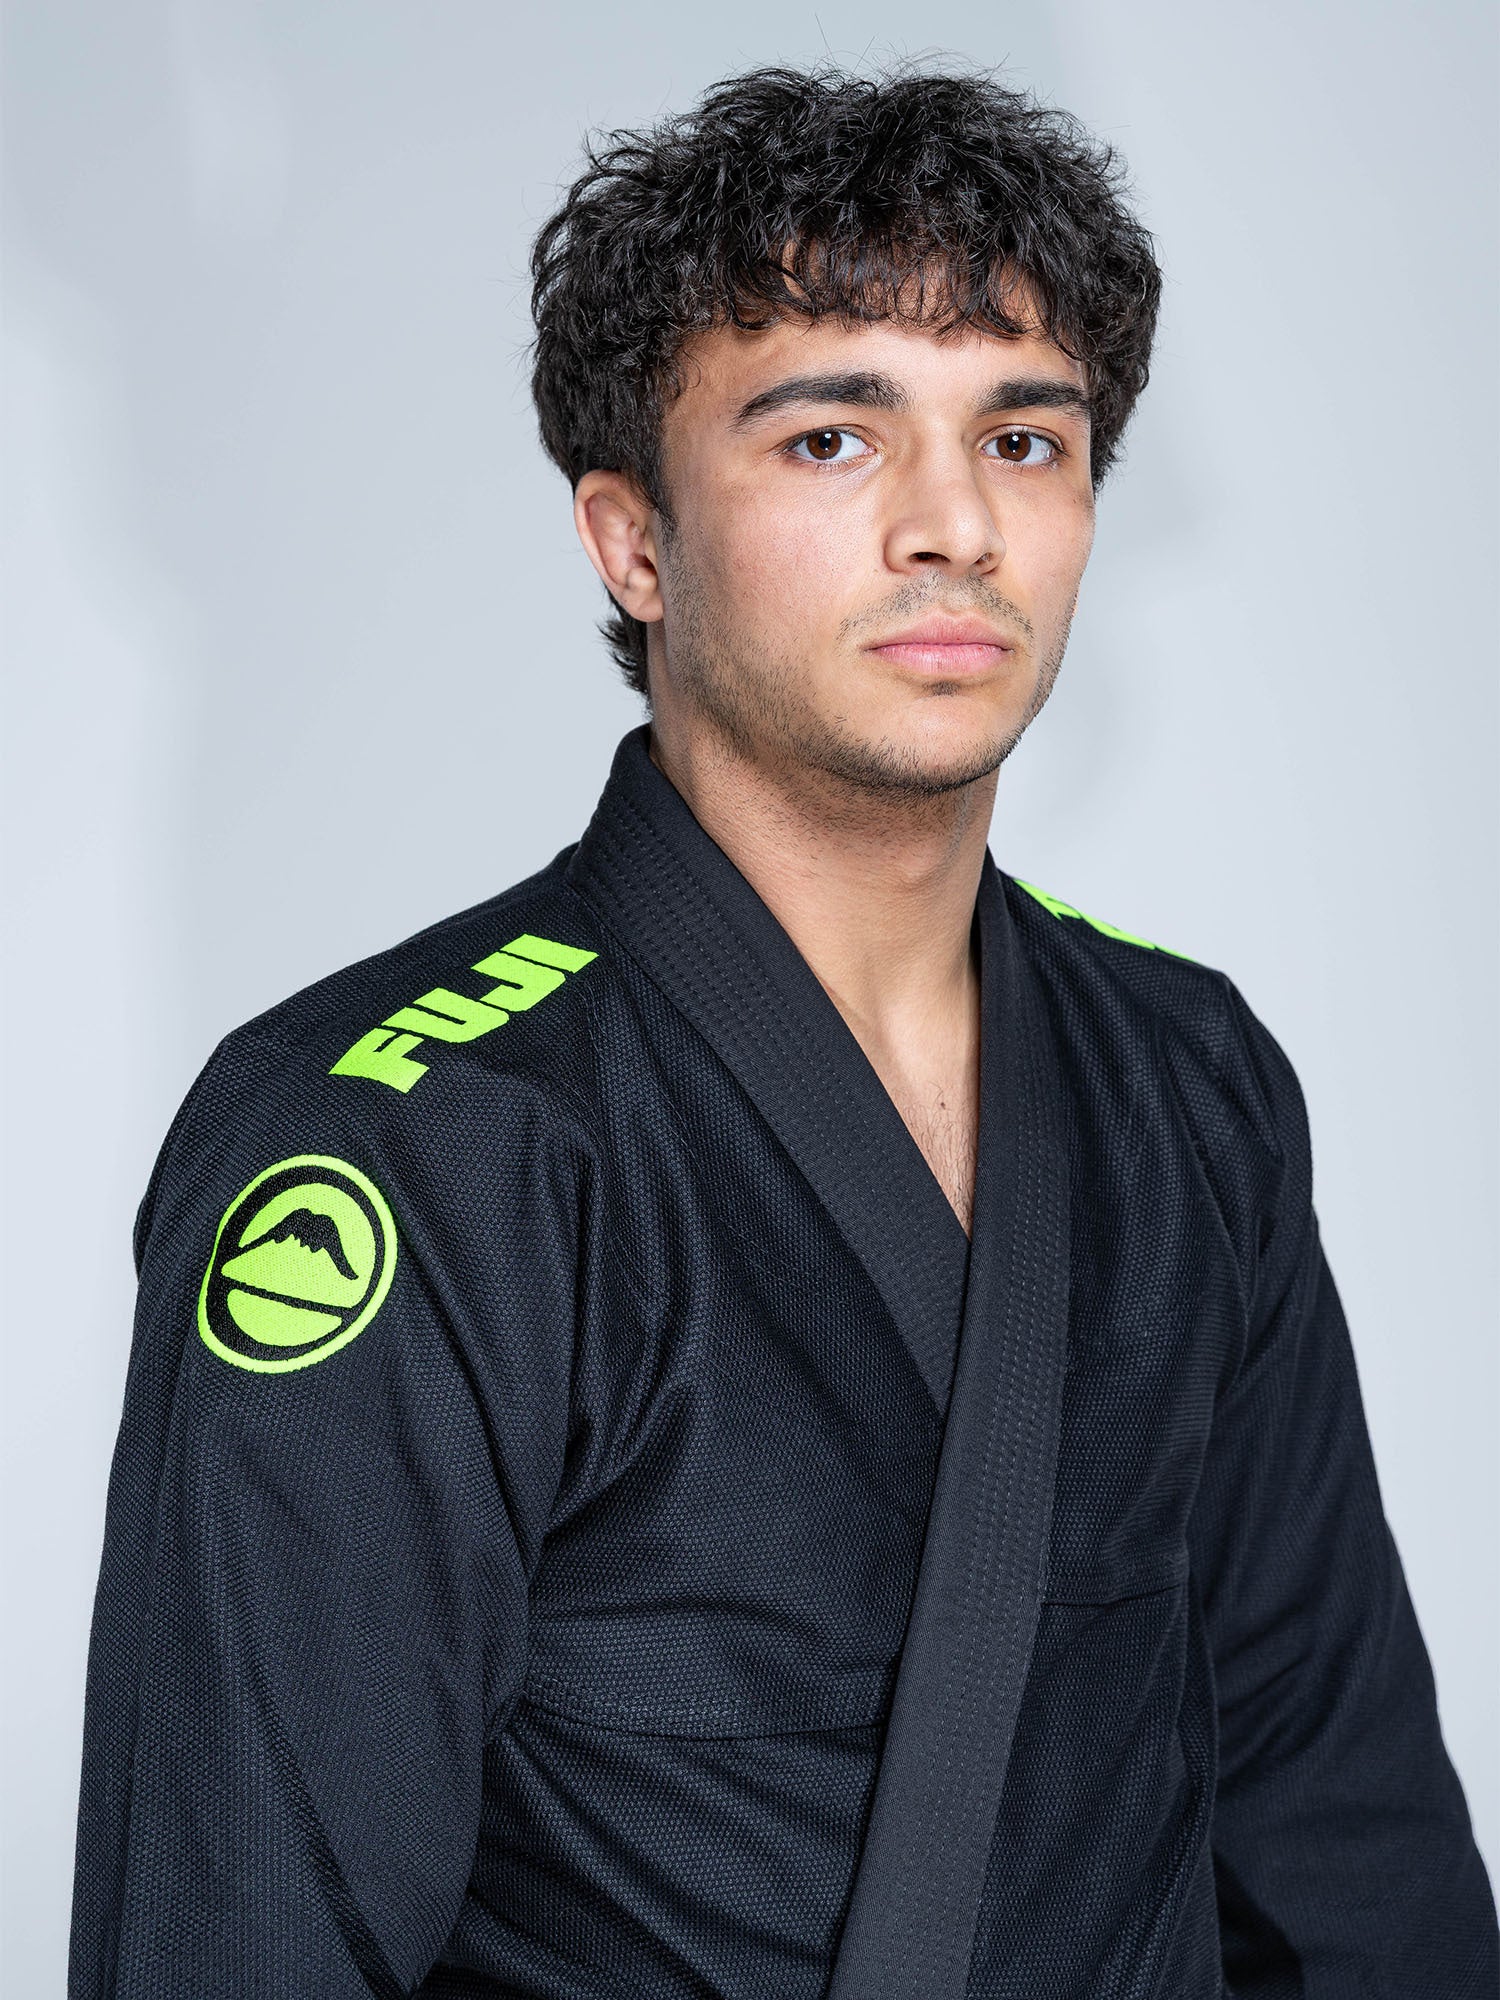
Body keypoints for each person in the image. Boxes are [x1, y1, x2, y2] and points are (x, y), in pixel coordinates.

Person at [69, 62, 1496, 2000]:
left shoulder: (1188, 1082)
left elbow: (1354, 1859)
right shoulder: (414, 1146)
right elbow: (243, 1942)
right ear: (631, 541)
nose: (951, 527)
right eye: (831, 439)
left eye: (1026, 438)